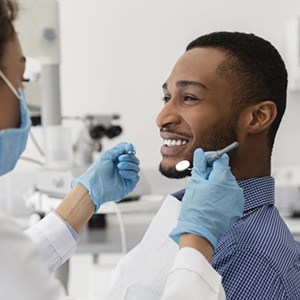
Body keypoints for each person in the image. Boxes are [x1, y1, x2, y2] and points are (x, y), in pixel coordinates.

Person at [0, 1, 244, 299]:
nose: (162, 118)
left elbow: (13, 273)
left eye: (190, 97)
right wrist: (198, 240)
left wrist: (85, 198)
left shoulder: (256, 253)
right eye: (20, 82)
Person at [102, 32, 300, 299]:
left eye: (190, 98)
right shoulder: (194, 218)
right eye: (166, 98)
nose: (162, 117)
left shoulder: (249, 257)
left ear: (257, 117)